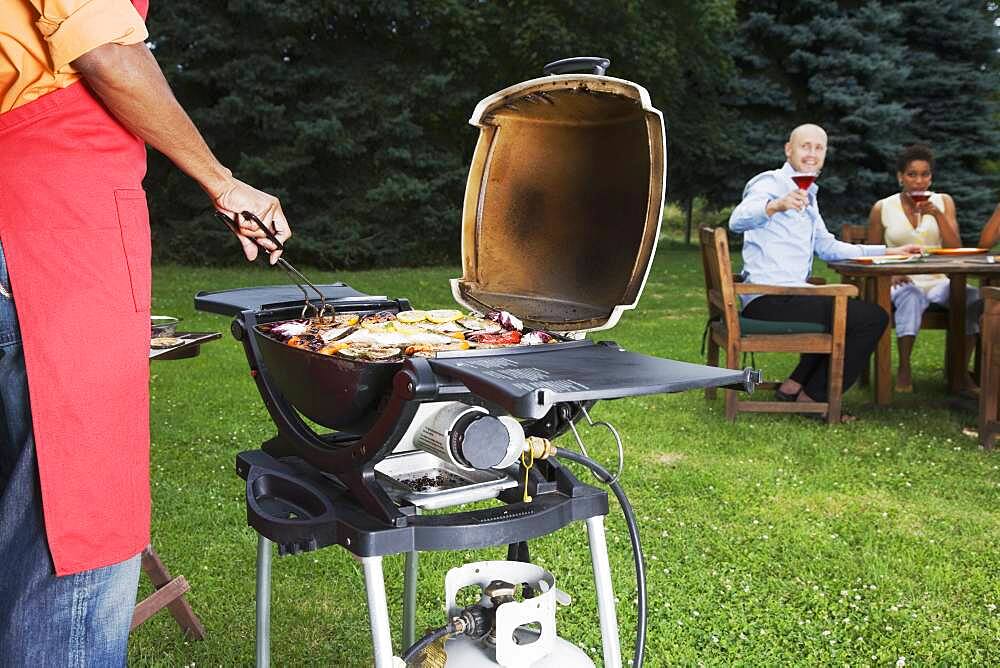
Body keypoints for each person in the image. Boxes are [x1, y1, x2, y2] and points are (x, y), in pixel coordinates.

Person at [0, 1, 291, 664]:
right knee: (78, 533)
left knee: (19, 518)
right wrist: (222, 182)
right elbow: (105, 50)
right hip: (50, 228)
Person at [729, 124, 920, 420]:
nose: (812, 153)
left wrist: (886, 252)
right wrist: (775, 205)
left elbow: (827, 246)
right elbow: (737, 220)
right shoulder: (770, 183)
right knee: (872, 318)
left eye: (819, 148)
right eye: (805, 146)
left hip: (790, 294)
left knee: (842, 312)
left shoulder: (809, 192)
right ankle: (814, 398)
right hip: (770, 299)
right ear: (788, 149)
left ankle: (794, 387)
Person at [867, 144, 980, 393]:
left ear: (931, 176)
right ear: (900, 177)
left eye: (925, 174)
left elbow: (955, 248)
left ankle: (960, 372)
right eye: (912, 174)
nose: (919, 181)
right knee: (911, 295)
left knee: (972, 297)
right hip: (899, 281)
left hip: (938, 281)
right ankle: (904, 367)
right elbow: (872, 254)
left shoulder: (943, 202)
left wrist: (938, 216)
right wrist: (892, 271)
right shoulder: (882, 208)